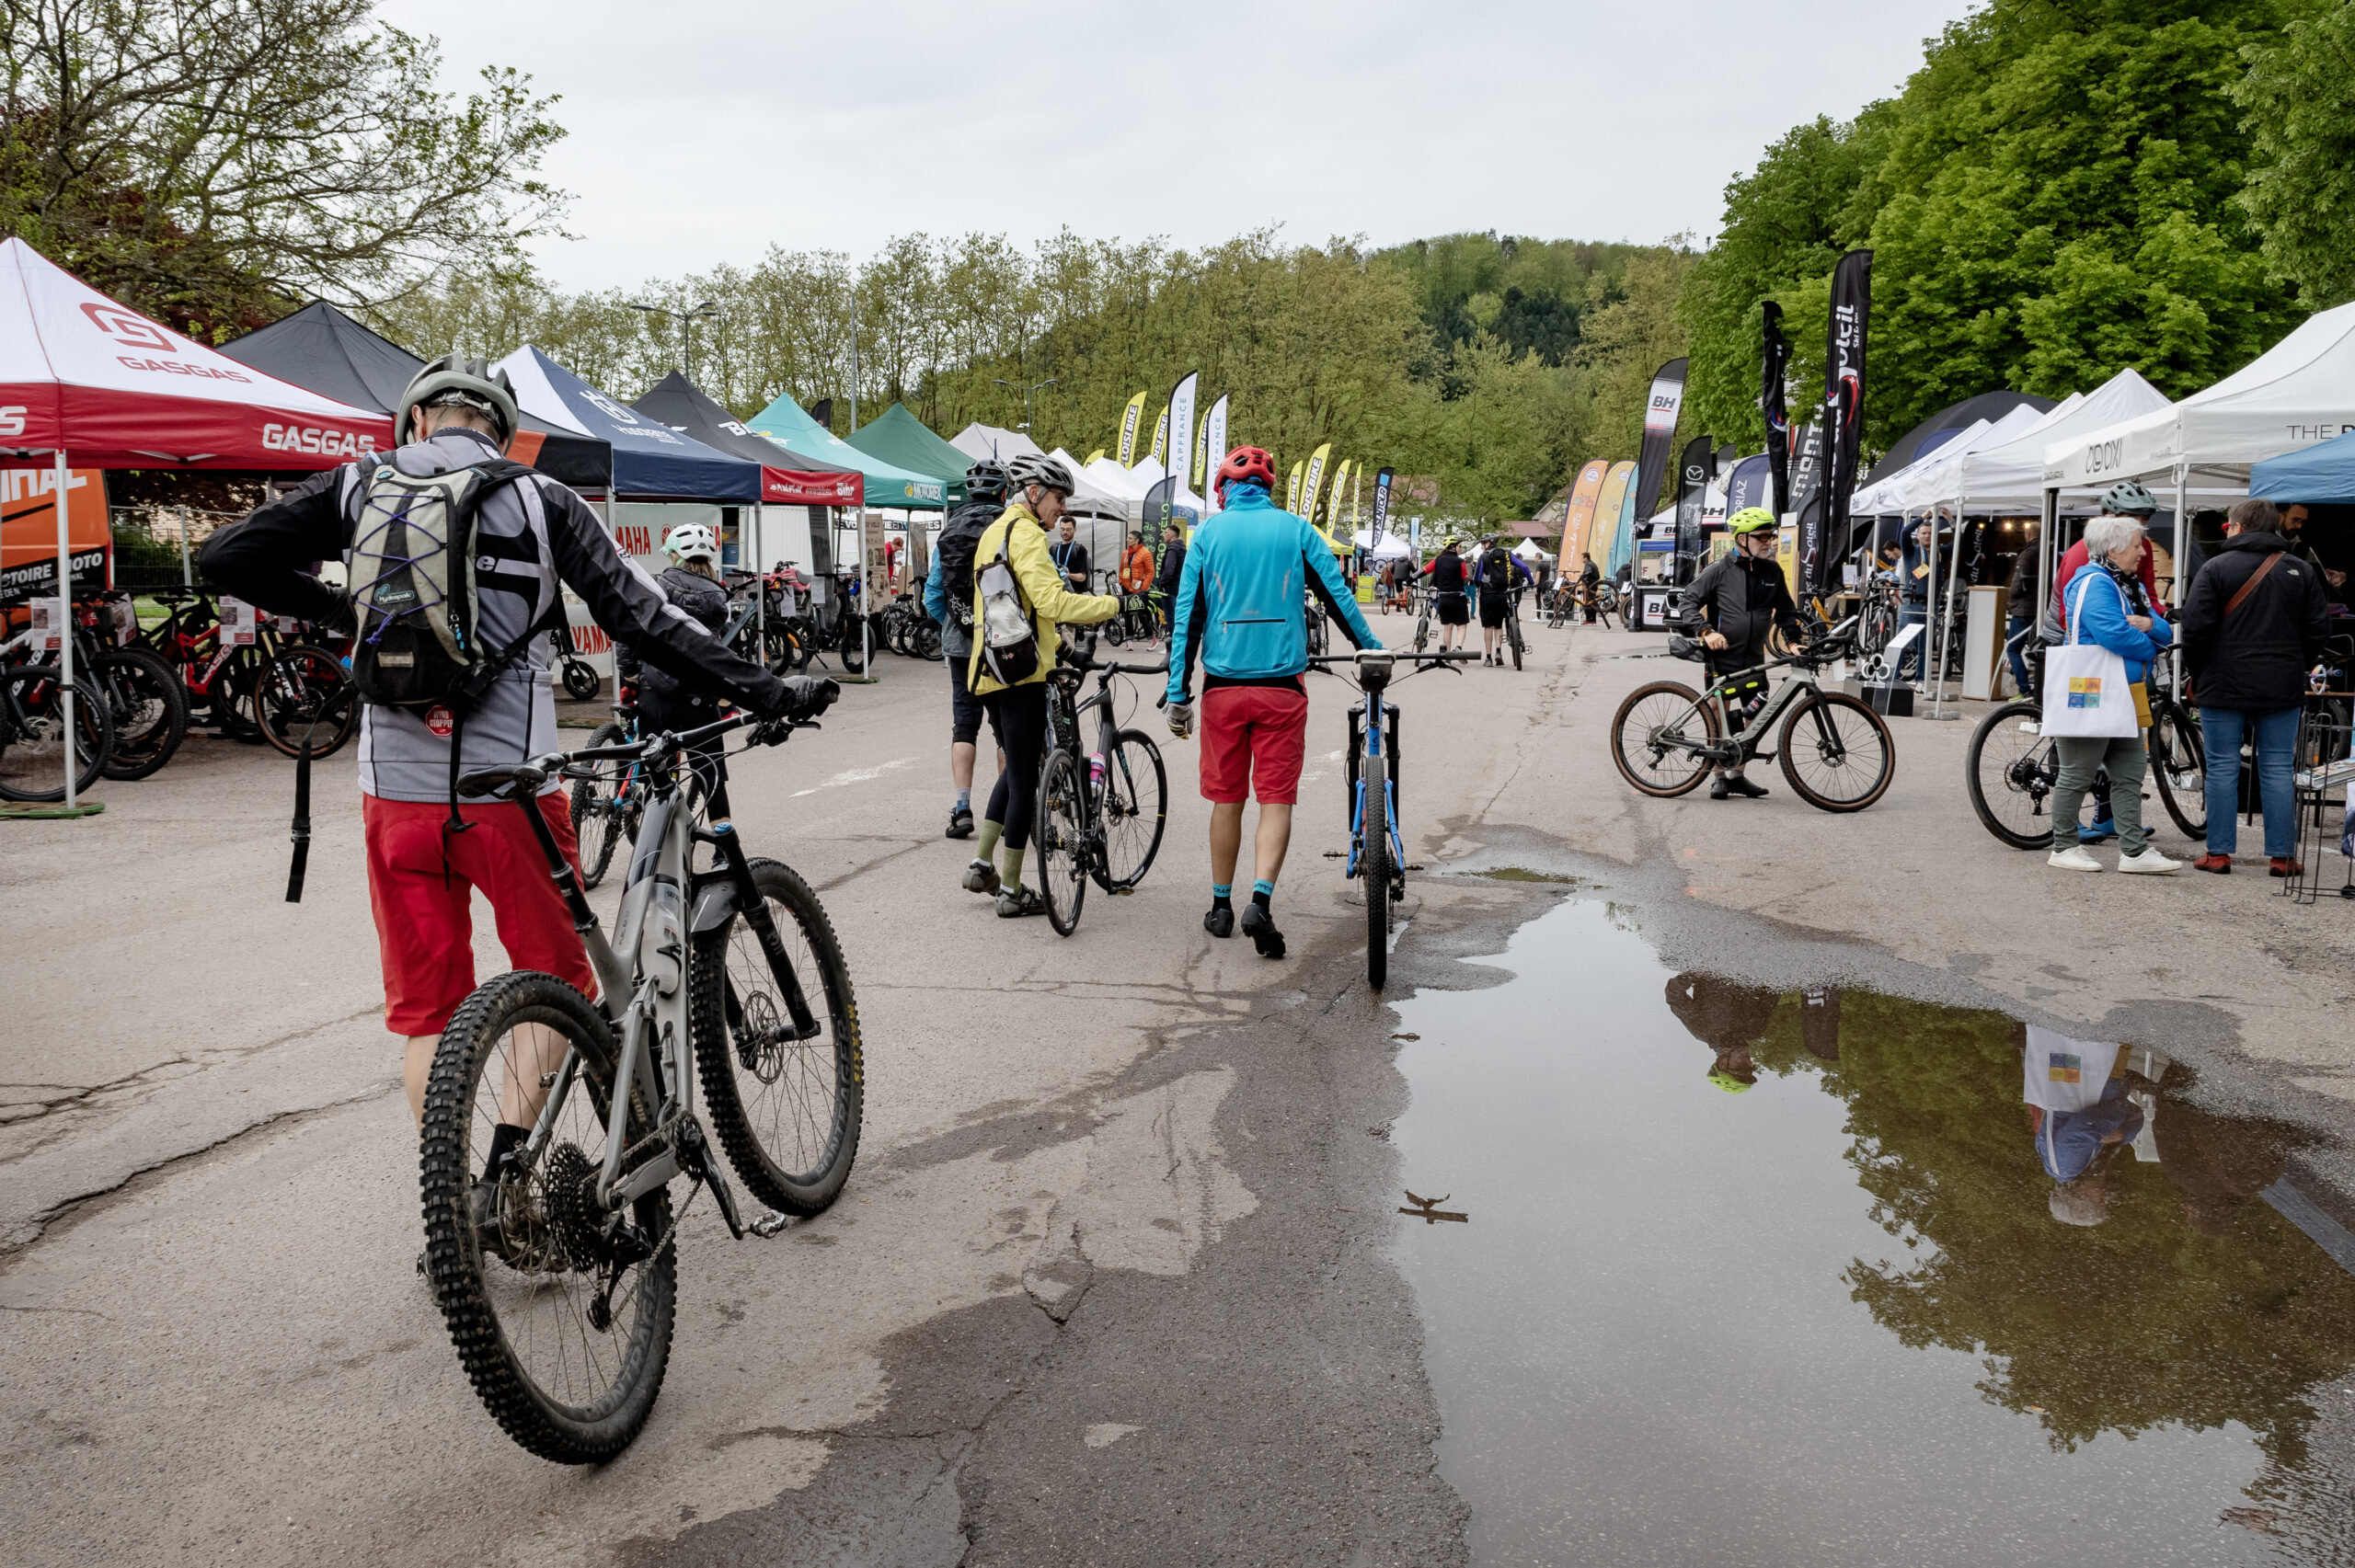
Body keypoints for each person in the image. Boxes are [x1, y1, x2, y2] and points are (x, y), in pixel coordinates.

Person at [197, 356, 811, 1240]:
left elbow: (224, 554)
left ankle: (448, 1211)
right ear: (505, 432)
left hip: (394, 799)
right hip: (510, 791)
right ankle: (502, 1177)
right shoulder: (540, 497)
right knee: (558, 981)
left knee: (428, 1015)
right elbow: (645, 617)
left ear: (416, 422)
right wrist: (766, 689)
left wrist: (341, 614)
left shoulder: (358, 484)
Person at [1166, 445, 1381, 958]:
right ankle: (1259, 901)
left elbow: (1187, 617)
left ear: (1224, 490)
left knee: (1227, 799)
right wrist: (1371, 648)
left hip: (1223, 687)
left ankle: (1220, 907)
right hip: (1282, 687)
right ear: (1268, 488)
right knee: (1275, 798)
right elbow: (1337, 595)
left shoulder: (1207, 535)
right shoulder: (1296, 529)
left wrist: (1177, 692)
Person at [960, 453, 1119, 917]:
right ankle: (1011, 890)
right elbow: (1051, 602)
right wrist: (1111, 605)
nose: (1062, 508)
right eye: (1058, 498)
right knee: (1025, 778)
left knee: (1015, 768)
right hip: (1021, 676)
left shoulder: (994, 531)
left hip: (989, 671)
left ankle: (980, 865)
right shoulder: (1027, 534)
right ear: (1033, 493)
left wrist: (1065, 653)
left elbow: (1016, 610)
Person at [2177, 496, 2329, 876]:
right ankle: (2282, 856)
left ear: (2238, 527)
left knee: (2222, 765)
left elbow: (2195, 628)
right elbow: (2318, 630)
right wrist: (2298, 663)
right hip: (2281, 682)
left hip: (2223, 682)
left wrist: (2198, 671)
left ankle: (2218, 854)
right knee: (2278, 766)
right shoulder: (2300, 570)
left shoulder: (2215, 568)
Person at [2045, 514, 2179, 874]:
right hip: (2098, 689)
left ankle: (2134, 852)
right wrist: (2152, 646)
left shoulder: (2122, 583)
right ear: (2113, 549)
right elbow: (2115, 634)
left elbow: (2161, 626)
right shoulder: (2096, 583)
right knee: (2077, 773)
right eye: (2137, 546)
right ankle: (2063, 847)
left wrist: (2150, 625)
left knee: (2130, 772)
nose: (2143, 553)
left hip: (2121, 690)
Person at [613, 522, 738, 827]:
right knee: (711, 775)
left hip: (655, 693)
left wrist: (631, 676)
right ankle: (724, 845)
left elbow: (627, 635)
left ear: (673, 555)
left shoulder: (653, 587)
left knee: (655, 774)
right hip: (699, 696)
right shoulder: (718, 598)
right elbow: (714, 650)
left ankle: (655, 841)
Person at [1679, 508, 1802, 800]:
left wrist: (1794, 642)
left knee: (1755, 715)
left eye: (1771, 536)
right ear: (1742, 539)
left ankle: (1738, 775)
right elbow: (1687, 602)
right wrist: (1706, 631)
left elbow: (1786, 611)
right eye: (1762, 537)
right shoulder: (1719, 570)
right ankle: (1718, 777)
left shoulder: (1772, 571)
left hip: (1754, 658)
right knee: (1717, 713)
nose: (1769, 542)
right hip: (1722, 657)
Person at [925, 459, 1010, 839]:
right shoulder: (1010, 526)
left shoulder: (950, 529)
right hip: (1004, 640)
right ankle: (1005, 808)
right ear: (1004, 492)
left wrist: (959, 623)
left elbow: (933, 595)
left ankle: (962, 808)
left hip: (961, 646)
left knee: (964, 723)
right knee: (1005, 726)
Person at [1474, 536, 1534, 665]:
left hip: (1487, 596)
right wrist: (1532, 582)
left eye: (1482, 544)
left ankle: (1488, 658)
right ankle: (1498, 652)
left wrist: (1480, 587)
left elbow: (1477, 578)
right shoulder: (1507, 554)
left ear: (1488, 543)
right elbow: (1524, 567)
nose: (1481, 546)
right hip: (1502, 595)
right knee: (1498, 626)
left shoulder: (1483, 557)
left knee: (1488, 627)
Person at [2276, 502, 2347, 592]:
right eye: (2295, 520)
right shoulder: (2265, 545)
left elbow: (2318, 586)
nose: (2299, 526)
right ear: (2280, 517)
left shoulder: (2302, 548)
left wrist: (2330, 583)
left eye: (2302, 522)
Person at [1419, 536, 1472, 651]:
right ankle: (1458, 648)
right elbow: (1464, 577)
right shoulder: (1460, 561)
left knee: (1447, 629)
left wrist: (1410, 579)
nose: (1461, 549)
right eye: (1460, 546)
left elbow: (1424, 571)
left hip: (1443, 598)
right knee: (1461, 626)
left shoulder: (1438, 560)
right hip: (1458, 598)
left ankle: (1447, 655)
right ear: (1453, 547)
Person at [2004, 532, 2039, 698]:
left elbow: (2017, 583)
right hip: (2040, 608)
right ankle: (2037, 687)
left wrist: (2011, 600)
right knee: (2038, 649)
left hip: (2024, 609)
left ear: (2028, 534)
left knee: (2012, 648)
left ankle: (2024, 689)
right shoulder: (2050, 553)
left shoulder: (2027, 554)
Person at [1154, 521, 1188, 635]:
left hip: (1170, 589)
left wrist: (1162, 583)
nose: (1163, 535)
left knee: (1171, 616)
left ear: (1173, 535)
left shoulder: (1173, 549)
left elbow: (1169, 570)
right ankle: (1177, 640)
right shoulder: (1181, 548)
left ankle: (1173, 642)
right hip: (1179, 587)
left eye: (1166, 532)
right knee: (1177, 616)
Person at [1049, 514, 1091, 593]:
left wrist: (1067, 575)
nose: (1065, 532)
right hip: (1056, 592)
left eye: (1068, 529)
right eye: (1062, 529)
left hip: (1074, 594)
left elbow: (1082, 577)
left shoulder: (1079, 549)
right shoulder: (1053, 548)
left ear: (1075, 530)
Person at [1578, 553, 1603, 624]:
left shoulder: (1588, 564)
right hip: (1594, 585)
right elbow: (1598, 576)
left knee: (1586, 602)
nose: (1581, 559)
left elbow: (1589, 572)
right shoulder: (1593, 564)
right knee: (1592, 602)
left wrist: (1583, 576)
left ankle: (1588, 619)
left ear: (1586, 558)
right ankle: (1593, 620)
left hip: (1589, 585)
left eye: (1582, 558)